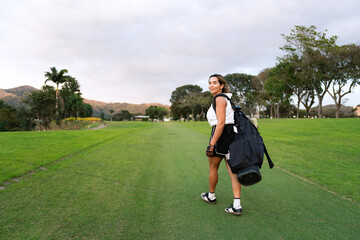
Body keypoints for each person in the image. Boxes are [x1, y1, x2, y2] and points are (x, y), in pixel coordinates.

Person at [201, 74, 242, 216]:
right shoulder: (227, 98)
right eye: (210, 83)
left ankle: (211, 196)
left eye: (214, 83)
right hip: (232, 134)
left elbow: (221, 123)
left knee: (213, 167)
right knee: (233, 170)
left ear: (222, 85)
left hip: (221, 134)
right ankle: (237, 205)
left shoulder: (219, 98)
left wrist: (211, 144)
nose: (211, 85)